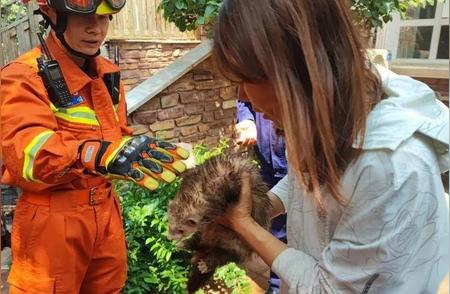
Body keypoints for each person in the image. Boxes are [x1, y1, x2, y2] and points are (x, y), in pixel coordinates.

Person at [212, 0, 449, 293]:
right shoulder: (328, 114)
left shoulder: (389, 167)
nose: (244, 97)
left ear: (296, 64)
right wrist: (263, 205)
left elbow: (328, 289)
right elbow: (306, 180)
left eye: (247, 79)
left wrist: (243, 224)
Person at [0, 0, 189, 292]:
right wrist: (95, 153)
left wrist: (133, 151)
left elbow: (117, 136)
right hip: (51, 227)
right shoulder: (23, 76)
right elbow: (26, 154)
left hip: (105, 217)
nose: (96, 30)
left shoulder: (107, 73)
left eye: (104, 19)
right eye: (82, 19)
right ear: (52, 14)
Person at [235, 100, 287, 293]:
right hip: (269, 167)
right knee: (277, 233)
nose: (259, 110)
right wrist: (247, 120)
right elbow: (243, 101)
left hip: (293, 167)